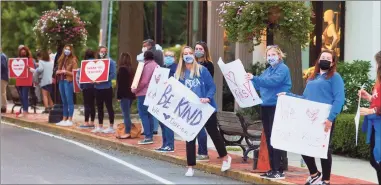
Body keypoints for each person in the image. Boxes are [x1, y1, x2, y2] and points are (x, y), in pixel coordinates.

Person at [278, 49, 345, 185]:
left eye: (328, 58)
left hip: (324, 119)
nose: (325, 60)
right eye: (323, 57)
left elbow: (339, 99)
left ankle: (325, 180)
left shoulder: (334, 77)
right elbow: (305, 98)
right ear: (318, 60)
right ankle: (314, 174)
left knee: (323, 148)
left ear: (332, 63)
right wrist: (288, 95)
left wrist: (330, 118)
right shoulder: (312, 78)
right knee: (303, 145)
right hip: (309, 118)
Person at [175, 46, 232, 177]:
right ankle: (190, 166)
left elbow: (212, 86)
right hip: (190, 110)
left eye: (190, 53)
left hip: (206, 108)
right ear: (182, 57)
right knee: (190, 136)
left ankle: (225, 157)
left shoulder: (202, 70)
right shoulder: (180, 73)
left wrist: (208, 97)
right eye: (185, 53)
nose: (188, 55)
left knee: (214, 134)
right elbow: (177, 90)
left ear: (194, 56)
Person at [245, 45, 292, 180]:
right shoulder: (268, 70)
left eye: (273, 55)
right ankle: (273, 168)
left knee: (276, 138)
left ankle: (278, 169)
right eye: (268, 55)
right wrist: (248, 81)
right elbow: (259, 84)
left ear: (279, 55)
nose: (271, 57)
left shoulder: (283, 69)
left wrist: (255, 78)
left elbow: (272, 82)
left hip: (277, 105)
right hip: (266, 105)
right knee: (270, 138)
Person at [359, 51, 381, 184]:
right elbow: (377, 99)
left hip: (379, 124)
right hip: (375, 124)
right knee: (375, 160)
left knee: (377, 159)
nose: (376, 66)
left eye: (377, 63)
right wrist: (369, 97)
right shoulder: (378, 81)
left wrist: (371, 110)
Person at [193, 41, 214, 161]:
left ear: (205, 51)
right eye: (196, 48)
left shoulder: (208, 65)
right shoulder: (192, 64)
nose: (198, 51)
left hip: (204, 98)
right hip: (193, 98)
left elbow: (208, 83)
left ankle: (203, 151)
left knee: (202, 127)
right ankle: (200, 150)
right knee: (196, 126)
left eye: (200, 49)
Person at [132, 50, 158, 145]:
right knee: (150, 115)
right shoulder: (156, 65)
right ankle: (150, 135)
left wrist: (135, 89)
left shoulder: (146, 66)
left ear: (145, 58)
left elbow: (144, 81)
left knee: (144, 115)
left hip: (144, 93)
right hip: (152, 93)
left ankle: (147, 136)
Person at [154, 50, 177, 152]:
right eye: (166, 56)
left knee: (168, 123)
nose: (168, 57)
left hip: (170, 99)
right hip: (161, 99)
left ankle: (170, 145)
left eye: (171, 56)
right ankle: (164, 144)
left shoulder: (175, 68)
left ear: (174, 58)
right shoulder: (162, 68)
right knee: (162, 123)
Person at [91, 46, 116, 134]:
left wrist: (103, 80)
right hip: (97, 88)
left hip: (107, 88)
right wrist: (93, 80)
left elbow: (113, 75)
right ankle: (100, 126)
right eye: (101, 51)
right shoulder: (95, 62)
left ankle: (111, 126)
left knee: (109, 107)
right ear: (98, 52)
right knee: (99, 107)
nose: (103, 53)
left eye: (104, 51)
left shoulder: (111, 62)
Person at [55, 45, 78, 126]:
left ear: (71, 51)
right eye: (66, 49)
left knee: (69, 101)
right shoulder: (61, 59)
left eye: (69, 49)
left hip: (68, 81)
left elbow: (75, 73)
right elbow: (58, 69)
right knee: (64, 101)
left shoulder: (73, 60)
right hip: (61, 81)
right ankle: (64, 119)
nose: (67, 51)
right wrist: (58, 71)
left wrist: (65, 72)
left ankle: (70, 119)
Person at [116, 52, 135, 139]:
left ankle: (127, 132)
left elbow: (121, 85)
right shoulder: (131, 69)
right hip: (131, 94)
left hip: (124, 95)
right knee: (127, 113)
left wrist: (119, 96)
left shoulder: (122, 69)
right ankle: (130, 129)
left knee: (126, 114)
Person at [77, 49, 97, 128]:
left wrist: (81, 86)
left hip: (86, 86)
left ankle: (86, 122)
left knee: (87, 105)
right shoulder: (96, 64)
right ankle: (92, 122)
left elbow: (80, 76)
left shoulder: (84, 64)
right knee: (93, 105)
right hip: (95, 86)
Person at [16, 46, 35, 118]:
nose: (23, 53)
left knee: (25, 96)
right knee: (21, 97)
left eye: (24, 52)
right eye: (22, 52)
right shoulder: (17, 60)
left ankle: (25, 111)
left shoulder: (30, 60)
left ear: (26, 52)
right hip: (19, 81)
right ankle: (24, 109)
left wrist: (28, 68)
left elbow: (34, 70)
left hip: (26, 81)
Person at [1, 49, 8, 113]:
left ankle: (3, 107)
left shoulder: (2, 56)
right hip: (2, 77)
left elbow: (3, 66)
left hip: (2, 77)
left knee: (2, 92)